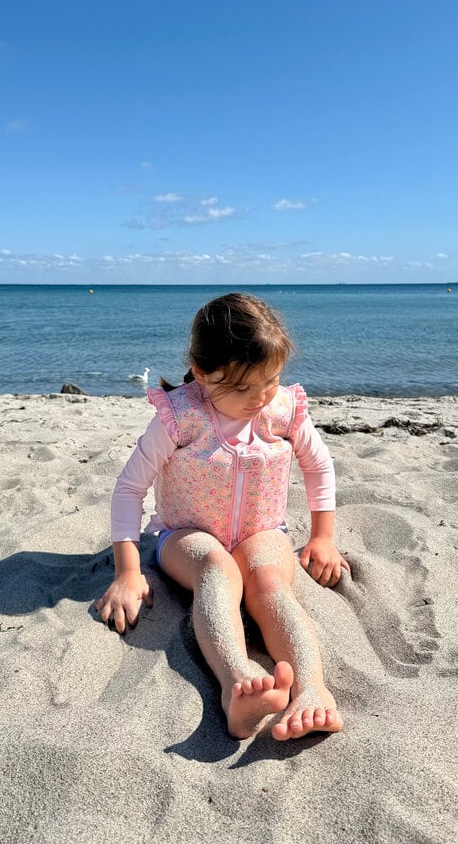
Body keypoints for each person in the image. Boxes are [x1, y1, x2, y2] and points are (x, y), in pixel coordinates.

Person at [95, 292, 350, 740]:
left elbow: (318, 465)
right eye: (242, 388)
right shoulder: (179, 417)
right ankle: (236, 683)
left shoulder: (284, 410)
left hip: (262, 531)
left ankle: (312, 689)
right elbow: (130, 488)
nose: (260, 397)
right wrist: (128, 572)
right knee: (215, 569)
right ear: (201, 372)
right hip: (186, 536)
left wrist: (322, 537)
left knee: (269, 582)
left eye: (270, 381)